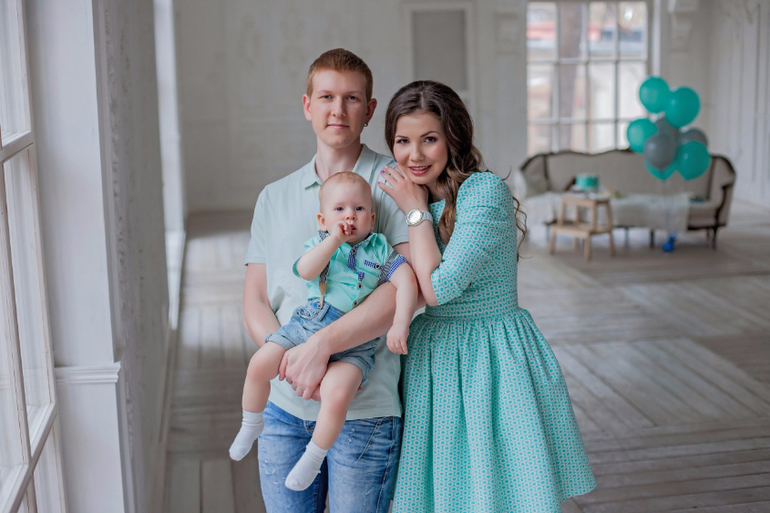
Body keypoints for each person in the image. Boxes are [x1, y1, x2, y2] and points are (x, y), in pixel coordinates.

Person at [378, 80, 596, 512]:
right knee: (444, 488)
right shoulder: (408, 195)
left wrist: (415, 212)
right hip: (432, 353)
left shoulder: (482, 193)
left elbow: (437, 289)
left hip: (489, 355)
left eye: (429, 139)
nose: (414, 155)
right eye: (403, 141)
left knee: (496, 489)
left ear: (453, 137)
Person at [242, 48, 412, 512]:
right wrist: (292, 363)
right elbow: (256, 298)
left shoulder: (393, 184)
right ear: (307, 105)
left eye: (352, 98)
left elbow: (404, 289)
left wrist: (322, 347)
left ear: (369, 109)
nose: (338, 109)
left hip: (364, 410)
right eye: (326, 97)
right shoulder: (274, 197)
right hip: (282, 409)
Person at [230, 171, 417, 493]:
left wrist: (400, 323)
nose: (349, 216)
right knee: (259, 364)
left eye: (359, 209)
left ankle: (313, 457)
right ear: (322, 219)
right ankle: (251, 422)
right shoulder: (320, 243)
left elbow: (408, 282)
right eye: (340, 209)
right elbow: (305, 270)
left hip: (357, 344)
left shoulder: (380, 250)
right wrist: (334, 240)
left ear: (372, 218)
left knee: (337, 395)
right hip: (309, 323)